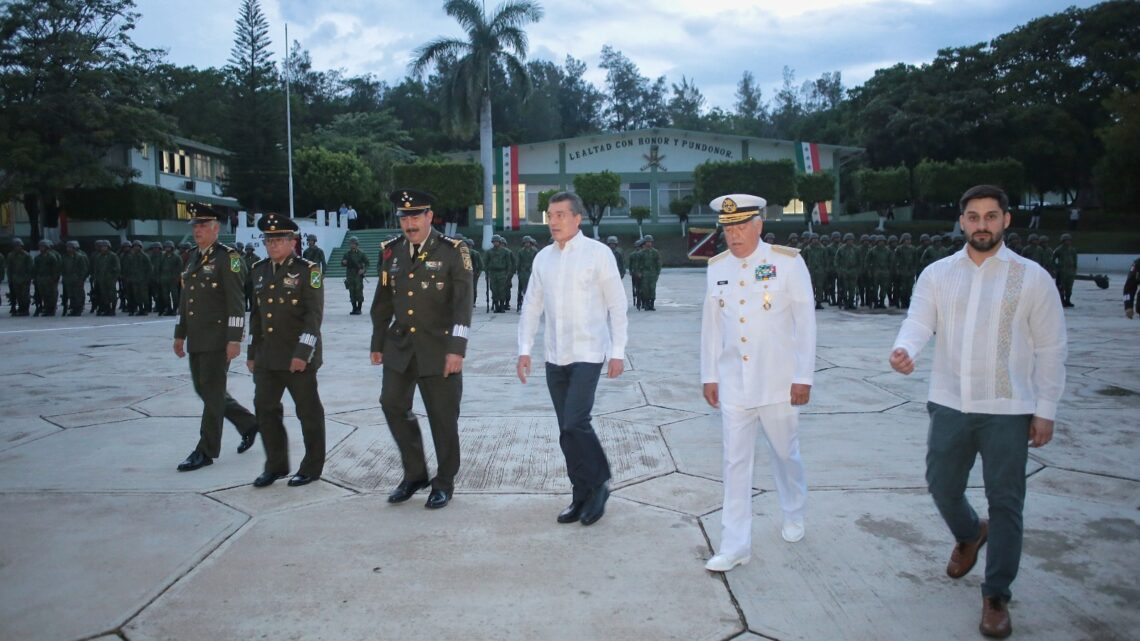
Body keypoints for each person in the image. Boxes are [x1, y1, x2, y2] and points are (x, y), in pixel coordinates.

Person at [888, 185, 1067, 639]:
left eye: (990, 216)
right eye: (973, 217)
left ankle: (995, 595)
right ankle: (970, 533)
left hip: (1009, 409)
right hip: (950, 402)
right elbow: (918, 320)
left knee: (1007, 502)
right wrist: (904, 349)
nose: (981, 224)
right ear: (962, 221)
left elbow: (1051, 348)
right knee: (941, 484)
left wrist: (1044, 410)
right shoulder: (938, 273)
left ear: (1006, 220)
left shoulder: (1033, 278)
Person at [699, 194, 815, 572]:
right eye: (728, 228)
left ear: (758, 225)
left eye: (741, 226)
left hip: (778, 381)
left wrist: (803, 376)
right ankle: (735, 545)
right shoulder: (716, 267)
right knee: (735, 462)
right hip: (734, 382)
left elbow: (806, 323)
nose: (734, 235)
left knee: (784, 451)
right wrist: (709, 375)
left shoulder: (787, 263)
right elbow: (711, 328)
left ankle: (794, 509)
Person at [517, 191, 628, 527]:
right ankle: (580, 493)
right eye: (550, 215)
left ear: (577, 218)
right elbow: (532, 306)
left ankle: (599, 484)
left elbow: (617, 304)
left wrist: (618, 352)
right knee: (566, 431)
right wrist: (524, 349)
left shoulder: (599, 254)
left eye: (561, 215)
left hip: (589, 352)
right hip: (555, 355)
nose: (553, 221)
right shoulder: (543, 259)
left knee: (574, 422)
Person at [371, 189, 473, 509]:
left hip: (440, 348)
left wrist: (456, 348)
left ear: (430, 217)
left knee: (442, 418)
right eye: (405, 218)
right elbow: (382, 302)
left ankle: (443, 481)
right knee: (391, 403)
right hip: (400, 347)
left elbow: (462, 305)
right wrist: (377, 344)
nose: (410, 224)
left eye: (416, 217)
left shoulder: (454, 250)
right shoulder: (391, 252)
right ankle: (414, 473)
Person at [172, 203, 260, 472]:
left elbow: (236, 303)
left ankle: (206, 450)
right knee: (205, 390)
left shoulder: (228, 258)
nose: (197, 230)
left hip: (218, 339)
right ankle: (248, 423)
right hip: (197, 338)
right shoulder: (194, 258)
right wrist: (180, 333)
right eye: (195, 226)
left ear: (215, 228)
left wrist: (234, 339)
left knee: (211, 395)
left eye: (202, 226)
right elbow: (187, 300)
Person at [246, 213, 327, 488]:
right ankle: (276, 465)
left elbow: (313, 316)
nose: (273, 244)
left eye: (279, 239)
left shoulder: (308, 270)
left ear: (293, 241)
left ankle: (312, 467)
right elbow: (256, 316)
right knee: (264, 409)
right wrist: (251, 352)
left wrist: (302, 353)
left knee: (308, 412)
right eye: (269, 239)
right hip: (268, 356)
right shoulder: (258, 269)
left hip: (297, 356)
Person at [90, 240, 120, 316]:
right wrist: (95, 277)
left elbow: (117, 268)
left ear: (108, 247)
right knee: (104, 295)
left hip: (110, 279)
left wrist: (113, 277)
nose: (103, 248)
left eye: (105, 246)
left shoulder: (113, 256)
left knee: (112, 294)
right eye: (102, 247)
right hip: (101, 279)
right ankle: (107, 309)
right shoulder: (98, 256)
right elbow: (96, 268)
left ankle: (113, 309)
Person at [485, 235, 515, 313]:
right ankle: (496, 306)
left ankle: (502, 306)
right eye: (494, 241)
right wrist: (486, 273)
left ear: (500, 242)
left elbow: (509, 263)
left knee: (502, 290)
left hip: (502, 273)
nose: (495, 243)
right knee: (494, 290)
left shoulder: (505, 252)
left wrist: (508, 273)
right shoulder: (489, 252)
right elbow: (486, 263)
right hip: (493, 273)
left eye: (497, 241)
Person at [341, 236, 370, 315]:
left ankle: (359, 308)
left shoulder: (361, 253)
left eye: (354, 243)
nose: (352, 245)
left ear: (357, 244)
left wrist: (363, 270)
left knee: (359, 291)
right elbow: (342, 263)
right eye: (351, 243)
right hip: (350, 274)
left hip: (358, 275)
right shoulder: (347, 254)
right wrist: (343, 262)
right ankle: (354, 308)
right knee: (351, 291)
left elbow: (367, 263)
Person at [33, 239, 61, 316]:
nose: (41, 248)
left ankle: (51, 309)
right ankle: (47, 308)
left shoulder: (52, 257)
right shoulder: (38, 258)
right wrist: (35, 278)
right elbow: (35, 269)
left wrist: (55, 278)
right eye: (40, 247)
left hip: (49, 278)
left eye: (43, 247)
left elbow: (55, 268)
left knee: (51, 294)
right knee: (43, 294)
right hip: (41, 279)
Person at [60, 240, 89, 316]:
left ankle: (79, 309)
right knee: (71, 294)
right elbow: (62, 267)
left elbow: (84, 269)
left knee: (78, 294)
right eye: (68, 247)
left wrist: (82, 278)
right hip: (68, 279)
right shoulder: (65, 257)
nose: (68, 249)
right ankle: (73, 308)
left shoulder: (80, 257)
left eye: (70, 247)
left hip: (77, 279)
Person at [6, 239, 33, 316]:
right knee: (18, 295)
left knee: (25, 295)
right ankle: (21, 308)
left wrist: (28, 278)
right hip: (15, 278)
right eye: (15, 246)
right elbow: (9, 268)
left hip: (24, 278)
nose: (17, 248)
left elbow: (30, 268)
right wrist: (10, 278)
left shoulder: (26, 255)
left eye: (19, 246)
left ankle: (25, 309)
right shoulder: (11, 255)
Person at [1052, 234, 1078, 308]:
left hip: (1070, 271)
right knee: (1061, 287)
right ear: (1063, 241)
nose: (1068, 242)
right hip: (1062, 271)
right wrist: (1056, 268)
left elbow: (1075, 259)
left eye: (1069, 240)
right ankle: (1062, 301)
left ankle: (1068, 300)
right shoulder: (1058, 250)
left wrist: (1075, 268)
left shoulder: (1072, 250)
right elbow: (1052, 260)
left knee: (1069, 287)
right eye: (1066, 240)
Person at [639, 235, 662, 310]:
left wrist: (658, 272)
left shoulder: (655, 252)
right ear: (645, 243)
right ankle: (646, 304)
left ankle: (652, 304)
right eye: (647, 242)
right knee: (645, 289)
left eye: (650, 242)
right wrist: (639, 272)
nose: (649, 243)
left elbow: (658, 263)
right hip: (644, 272)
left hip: (653, 273)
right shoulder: (641, 252)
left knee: (652, 288)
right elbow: (638, 264)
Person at [516, 235, 538, 311]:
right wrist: (518, 271)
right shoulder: (521, 252)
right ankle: (522, 303)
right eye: (525, 243)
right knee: (523, 289)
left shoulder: (535, 251)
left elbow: (537, 261)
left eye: (528, 242)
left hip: (532, 271)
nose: (527, 244)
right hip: (523, 272)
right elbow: (518, 262)